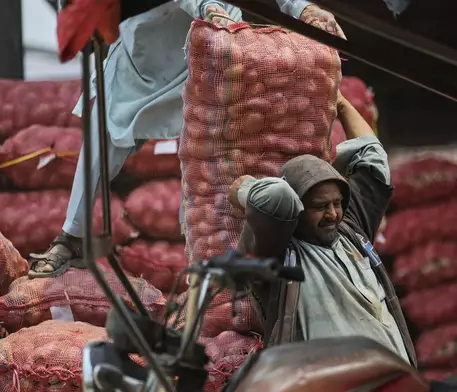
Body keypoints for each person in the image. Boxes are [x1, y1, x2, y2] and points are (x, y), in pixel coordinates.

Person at [28, 0, 344, 278]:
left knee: (204, 158)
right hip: (143, 49)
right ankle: (72, 238)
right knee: (101, 137)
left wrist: (301, 7)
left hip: (212, 43)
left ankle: (202, 263)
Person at [228, 92, 418, 367]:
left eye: (337, 203)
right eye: (320, 206)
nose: (332, 214)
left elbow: (373, 158)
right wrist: (244, 188)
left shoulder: (352, 231)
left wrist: (339, 103)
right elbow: (276, 198)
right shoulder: (279, 250)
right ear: (297, 208)